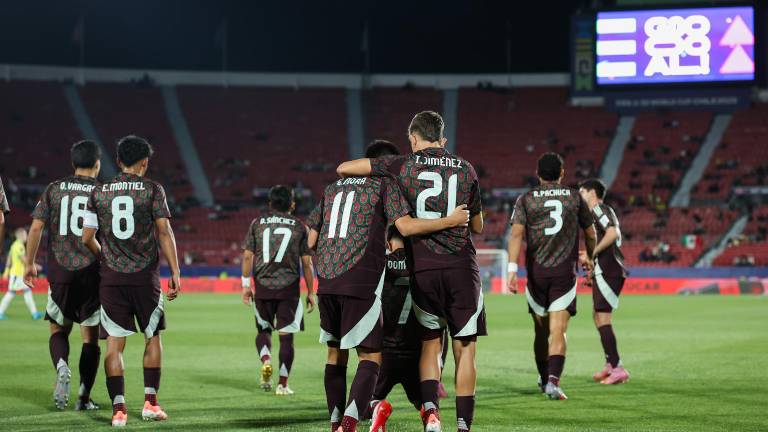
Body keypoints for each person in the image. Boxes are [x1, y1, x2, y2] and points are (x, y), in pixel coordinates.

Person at [337, 112, 485, 432]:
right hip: (462, 268)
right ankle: (462, 426)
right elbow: (477, 225)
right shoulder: (467, 168)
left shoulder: (402, 165)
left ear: (414, 138)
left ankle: (431, 414)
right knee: (465, 349)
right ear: (441, 138)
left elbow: (345, 168)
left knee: (431, 342)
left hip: (425, 269)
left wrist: (384, 173)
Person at [82, 135, 181, 427]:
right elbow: (164, 232)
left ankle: (119, 410)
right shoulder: (153, 189)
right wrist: (175, 271)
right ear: (145, 162)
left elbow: (86, 237)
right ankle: (150, 403)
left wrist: (105, 258)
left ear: (118, 161)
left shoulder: (98, 193)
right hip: (145, 278)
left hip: (112, 279)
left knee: (114, 344)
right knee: (153, 337)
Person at [507, 152, 596, 400]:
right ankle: (553, 383)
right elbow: (590, 233)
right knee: (559, 330)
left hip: (536, 274)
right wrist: (589, 257)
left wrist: (512, 270)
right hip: (562, 274)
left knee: (540, 332)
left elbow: (515, 236)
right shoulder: (574, 198)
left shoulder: (526, 199)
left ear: (538, 174)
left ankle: (544, 376)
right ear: (562, 173)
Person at [24, 140, 103, 410]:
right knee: (90, 338)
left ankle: (61, 366)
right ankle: (83, 397)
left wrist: (29, 264)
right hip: (92, 273)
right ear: (97, 165)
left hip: (60, 271)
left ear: (72, 164)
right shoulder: (102, 192)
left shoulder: (54, 189)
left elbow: (36, 228)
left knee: (58, 329)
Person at [241, 185, 315, 396]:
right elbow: (307, 263)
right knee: (286, 337)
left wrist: (246, 287)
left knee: (263, 330)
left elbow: (247, 256)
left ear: (270, 204)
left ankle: (266, 359)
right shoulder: (300, 227)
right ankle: (282, 384)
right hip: (288, 289)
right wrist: (310, 292)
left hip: (263, 287)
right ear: (292, 204)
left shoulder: (257, 224)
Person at [365, 228, 424, 432]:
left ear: (389, 243)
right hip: (415, 354)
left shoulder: (379, 264)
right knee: (425, 403)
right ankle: (431, 419)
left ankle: (377, 407)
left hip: (385, 352)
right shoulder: (421, 265)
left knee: (365, 404)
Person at [578, 178, 630, 385]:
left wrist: (592, 254)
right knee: (598, 316)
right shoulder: (596, 213)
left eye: (582, 191)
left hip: (610, 270)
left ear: (592, 193)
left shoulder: (598, 209)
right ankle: (611, 363)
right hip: (605, 269)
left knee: (603, 317)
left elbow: (612, 233)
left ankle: (618, 368)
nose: (580, 195)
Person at [0, 228, 43, 320]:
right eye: (25, 235)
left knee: (26, 292)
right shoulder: (19, 246)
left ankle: (34, 313)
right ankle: (0, 312)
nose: (26, 236)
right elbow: (24, 260)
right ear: (20, 235)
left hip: (18, 274)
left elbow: (9, 259)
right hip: (17, 274)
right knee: (11, 293)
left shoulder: (14, 245)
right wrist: (35, 266)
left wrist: (6, 271)